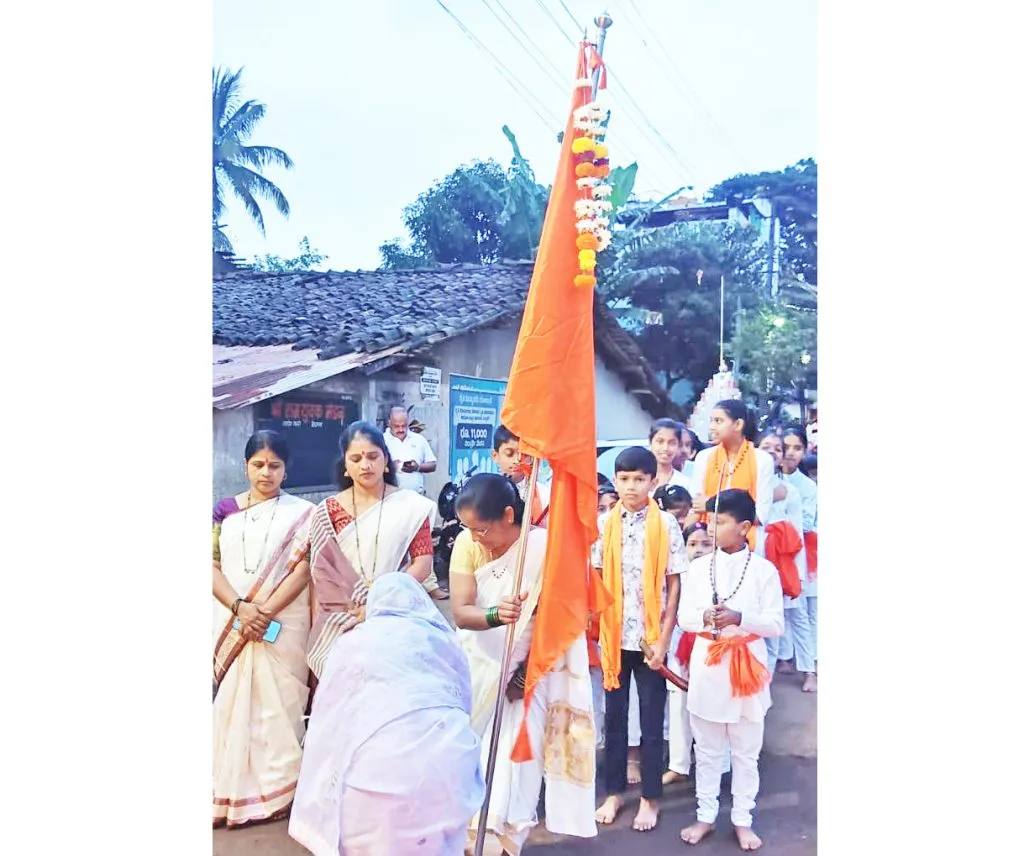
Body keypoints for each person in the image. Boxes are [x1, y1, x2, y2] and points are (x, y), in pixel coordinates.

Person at [449, 474, 597, 856]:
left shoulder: (543, 548)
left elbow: (560, 620)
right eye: (468, 528)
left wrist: (526, 672)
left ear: (509, 515)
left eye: (481, 528)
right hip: (477, 667)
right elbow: (463, 612)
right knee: (469, 756)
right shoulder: (467, 543)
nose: (475, 536)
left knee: (518, 762)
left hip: (530, 672)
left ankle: (505, 841)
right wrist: (497, 614)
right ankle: (468, 839)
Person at [289, 573, 485, 856]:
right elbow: (463, 702)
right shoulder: (443, 639)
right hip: (446, 775)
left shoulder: (353, 643)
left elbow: (328, 719)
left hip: (371, 788)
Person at [212, 431, 315, 829]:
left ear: (286, 471)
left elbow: (305, 569)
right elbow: (210, 564)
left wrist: (263, 611)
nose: (266, 473)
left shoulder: (304, 514)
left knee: (279, 705)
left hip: (281, 624)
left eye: (274, 466)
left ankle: (279, 788)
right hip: (235, 617)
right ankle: (231, 784)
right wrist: (241, 608)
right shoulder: (224, 512)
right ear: (245, 466)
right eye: (258, 464)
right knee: (234, 703)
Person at [677, 490, 784, 852]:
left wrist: (741, 618)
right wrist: (704, 617)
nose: (710, 528)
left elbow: (775, 625)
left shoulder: (764, 570)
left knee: (745, 752)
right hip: (708, 663)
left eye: (720, 522)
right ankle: (705, 815)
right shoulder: (697, 568)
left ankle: (743, 818)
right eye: (709, 520)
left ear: (745, 527)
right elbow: (683, 619)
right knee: (706, 750)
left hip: (747, 665)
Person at [593, 447, 686, 833]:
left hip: (650, 641)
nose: (631, 486)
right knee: (614, 720)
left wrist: (664, 639)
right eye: (624, 479)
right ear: (616, 481)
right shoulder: (603, 524)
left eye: (639, 479)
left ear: (653, 481)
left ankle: (650, 798)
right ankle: (613, 792)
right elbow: (596, 579)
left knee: (650, 721)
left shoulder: (665, 525)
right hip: (615, 638)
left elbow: (674, 582)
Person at [305, 420, 438, 680]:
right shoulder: (327, 511)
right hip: (340, 619)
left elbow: (422, 562)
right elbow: (319, 575)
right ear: (345, 465)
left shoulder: (411, 506)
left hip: (395, 613)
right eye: (356, 458)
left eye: (373, 456)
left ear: (386, 461)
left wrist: (380, 602)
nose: (365, 465)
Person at [756, 433, 816, 692]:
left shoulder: (790, 491)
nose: (772, 452)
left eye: (776, 449)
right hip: (756, 562)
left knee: (797, 616)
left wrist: (799, 575)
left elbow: (799, 535)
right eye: (765, 447)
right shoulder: (749, 485)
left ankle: (809, 670)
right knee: (762, 624)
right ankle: (763, 683)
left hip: (784, 563)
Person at [691, 401, 775, 554]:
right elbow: (697, 505)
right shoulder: (704, 458)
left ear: (738, 425)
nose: (712, 427)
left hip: (747, 547)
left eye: (718, 421)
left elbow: (760, 515)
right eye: (711, 421)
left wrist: (711, 504)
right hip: (707, 543)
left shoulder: (762, 460)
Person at [384, 406, 448, 600]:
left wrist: (417, 466)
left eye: (404, 425)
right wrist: (391, 466)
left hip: (417, 500)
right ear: (389, 424)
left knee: (423, 545)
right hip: (391, 501)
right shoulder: (381, 441)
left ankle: (429, 586)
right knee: (394, 545)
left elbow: (433, 464)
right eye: (397, 426)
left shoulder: (418, 440)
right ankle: (395, 589)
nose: (401, 430)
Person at [781, 428, 819, 674]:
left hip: (797, 554)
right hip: (772, 553)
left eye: (797, 448)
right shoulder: (768, 479)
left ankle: (808, 668)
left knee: (800, 611)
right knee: (777, 609)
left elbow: (805, 523)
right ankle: (783, 656)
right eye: (786, 447)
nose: (790, 453)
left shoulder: (806, 486)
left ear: (804, 451)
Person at [491, 424, 552, 526]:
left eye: (524, 455)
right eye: (509, 454)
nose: (517, 461)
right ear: (495, 456)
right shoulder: (487, 491)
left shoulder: (543, 494)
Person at [649, 418, 695, 494]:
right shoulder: (640, 478)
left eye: (672, 443)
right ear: (650, 442)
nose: (665, 448)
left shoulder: (686, 484)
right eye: (660, 442)